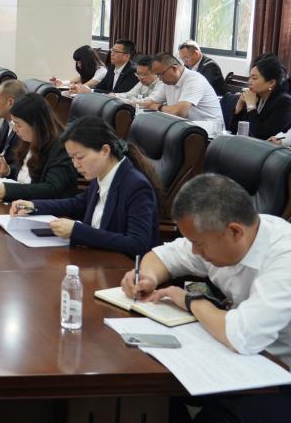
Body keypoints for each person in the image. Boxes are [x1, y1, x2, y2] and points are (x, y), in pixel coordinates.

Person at [121, 174, 291, 423]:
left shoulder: (284, 256)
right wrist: (148, 277)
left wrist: (192, 301)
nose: (194, 251)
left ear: (235, 231)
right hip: (245, 360)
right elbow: (164, 256)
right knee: (153, 391)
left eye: (198, 244)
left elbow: (242, 335)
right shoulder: (219, 234)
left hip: (280, 373)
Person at [9, 116, 160, 258]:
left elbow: (138, 244)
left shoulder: (136, 186)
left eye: (80, 157)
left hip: (119, 268)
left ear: (105, 151)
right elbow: (77, 204)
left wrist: (77, 231)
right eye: (72, 158)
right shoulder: (101, 174)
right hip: (93, 258)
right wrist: (33, 206)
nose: (76, 165)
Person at [0, 93, 77, 201]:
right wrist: (8, 170)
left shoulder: (61, 147)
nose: (14, 129)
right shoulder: (30, 138)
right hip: (21, 203)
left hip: (44, 208)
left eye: (18, 124)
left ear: (35, 124)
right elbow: (26, 171)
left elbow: (52, 188)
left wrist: (8, 190)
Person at [147, 53, 224, 131]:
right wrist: (139, 103)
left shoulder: (194, 80)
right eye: (157, 75)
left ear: (174, 68)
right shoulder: (168, 82)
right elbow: (150, 102)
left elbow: (179, 112)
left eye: (160, 74)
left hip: (209, 129)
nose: (160, 79)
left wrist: (159, 107)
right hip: (186, 126)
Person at [229, 54, 291, 141]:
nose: (249, 82)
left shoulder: (284, 103)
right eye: (250, 77)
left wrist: (251, 107)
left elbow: (261, 136)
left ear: (271, 83)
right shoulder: (256, 95)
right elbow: (233, 131)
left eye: (254, 78)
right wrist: (239, 106)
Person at [0, 79, 28, 170]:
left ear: (10, 102)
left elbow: (25, 165)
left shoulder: (26, 129)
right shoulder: (6, 119)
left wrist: (8, 170)